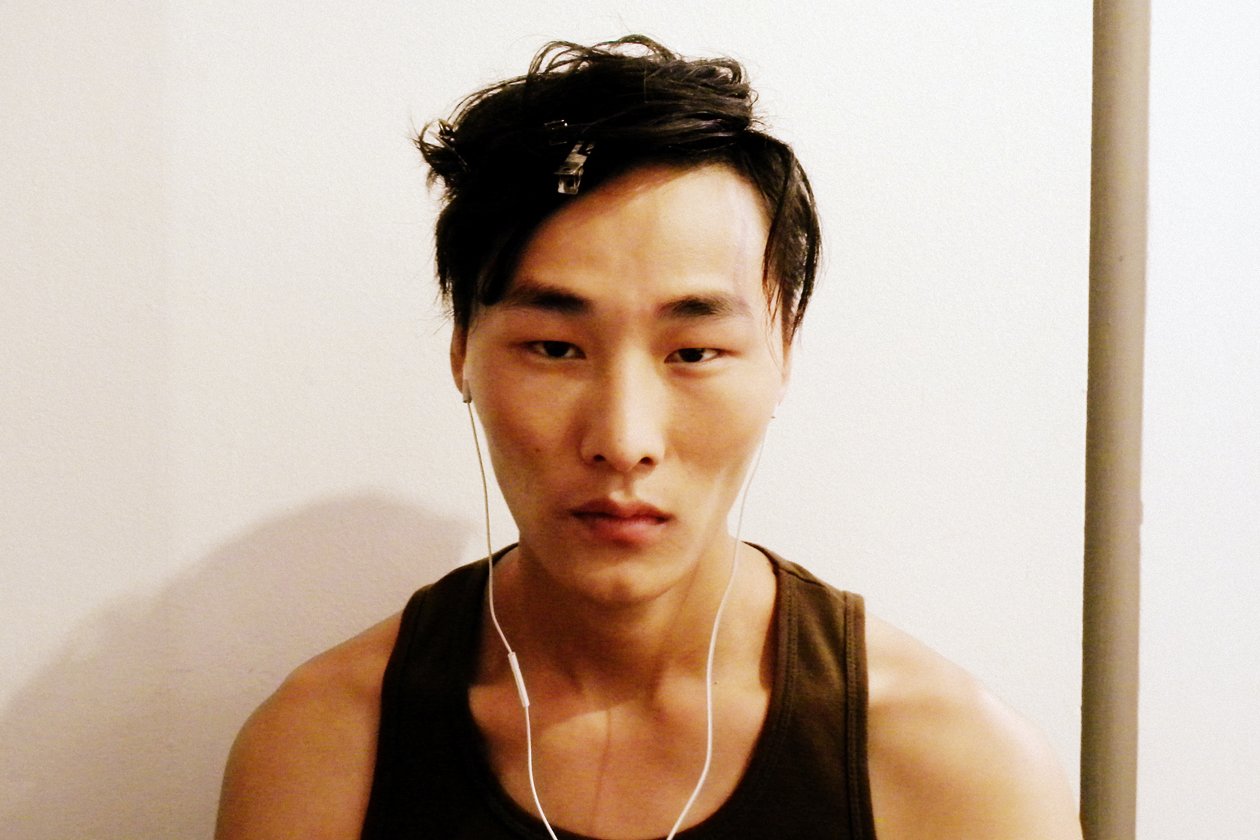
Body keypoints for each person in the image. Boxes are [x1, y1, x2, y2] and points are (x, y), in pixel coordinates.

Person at [215, 37, 1083, 839]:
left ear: (782, 355)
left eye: (694, 352)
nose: (623, 440)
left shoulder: (954, 768)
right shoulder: (325, 748)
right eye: (555, 348)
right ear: (463, 352)